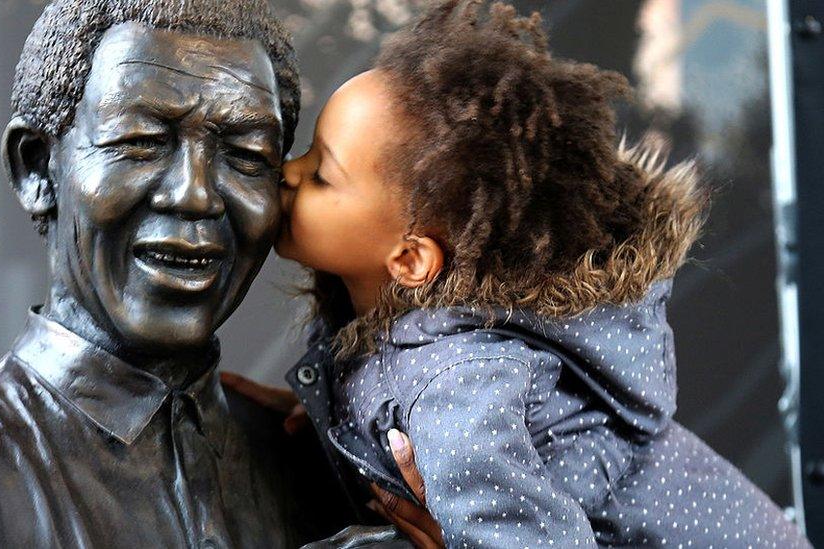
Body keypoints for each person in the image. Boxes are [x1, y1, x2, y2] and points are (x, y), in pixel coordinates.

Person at [230, 1, 813, 547]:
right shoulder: (404, 340)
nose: (288, 171)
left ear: (409, 259)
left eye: (322, 175)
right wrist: (330, 415)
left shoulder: (456, 393)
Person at [0, 1, 409, 546]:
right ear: (38, 168)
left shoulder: (347, 467)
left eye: (245, 154)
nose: (194, 194)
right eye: (140, 143)